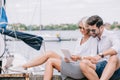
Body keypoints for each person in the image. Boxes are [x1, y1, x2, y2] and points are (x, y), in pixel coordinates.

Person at [80, 15, 120, 80]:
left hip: (114, 68)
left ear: (101, 27)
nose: (91, 32)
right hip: (100, 65)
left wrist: (101, 55)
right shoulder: (94, 37)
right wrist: (80, 58)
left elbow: (117, 48)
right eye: (89, 30)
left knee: (114, 57)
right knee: (83, 63)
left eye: (93, 30)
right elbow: (93, 57)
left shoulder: (111, 34)